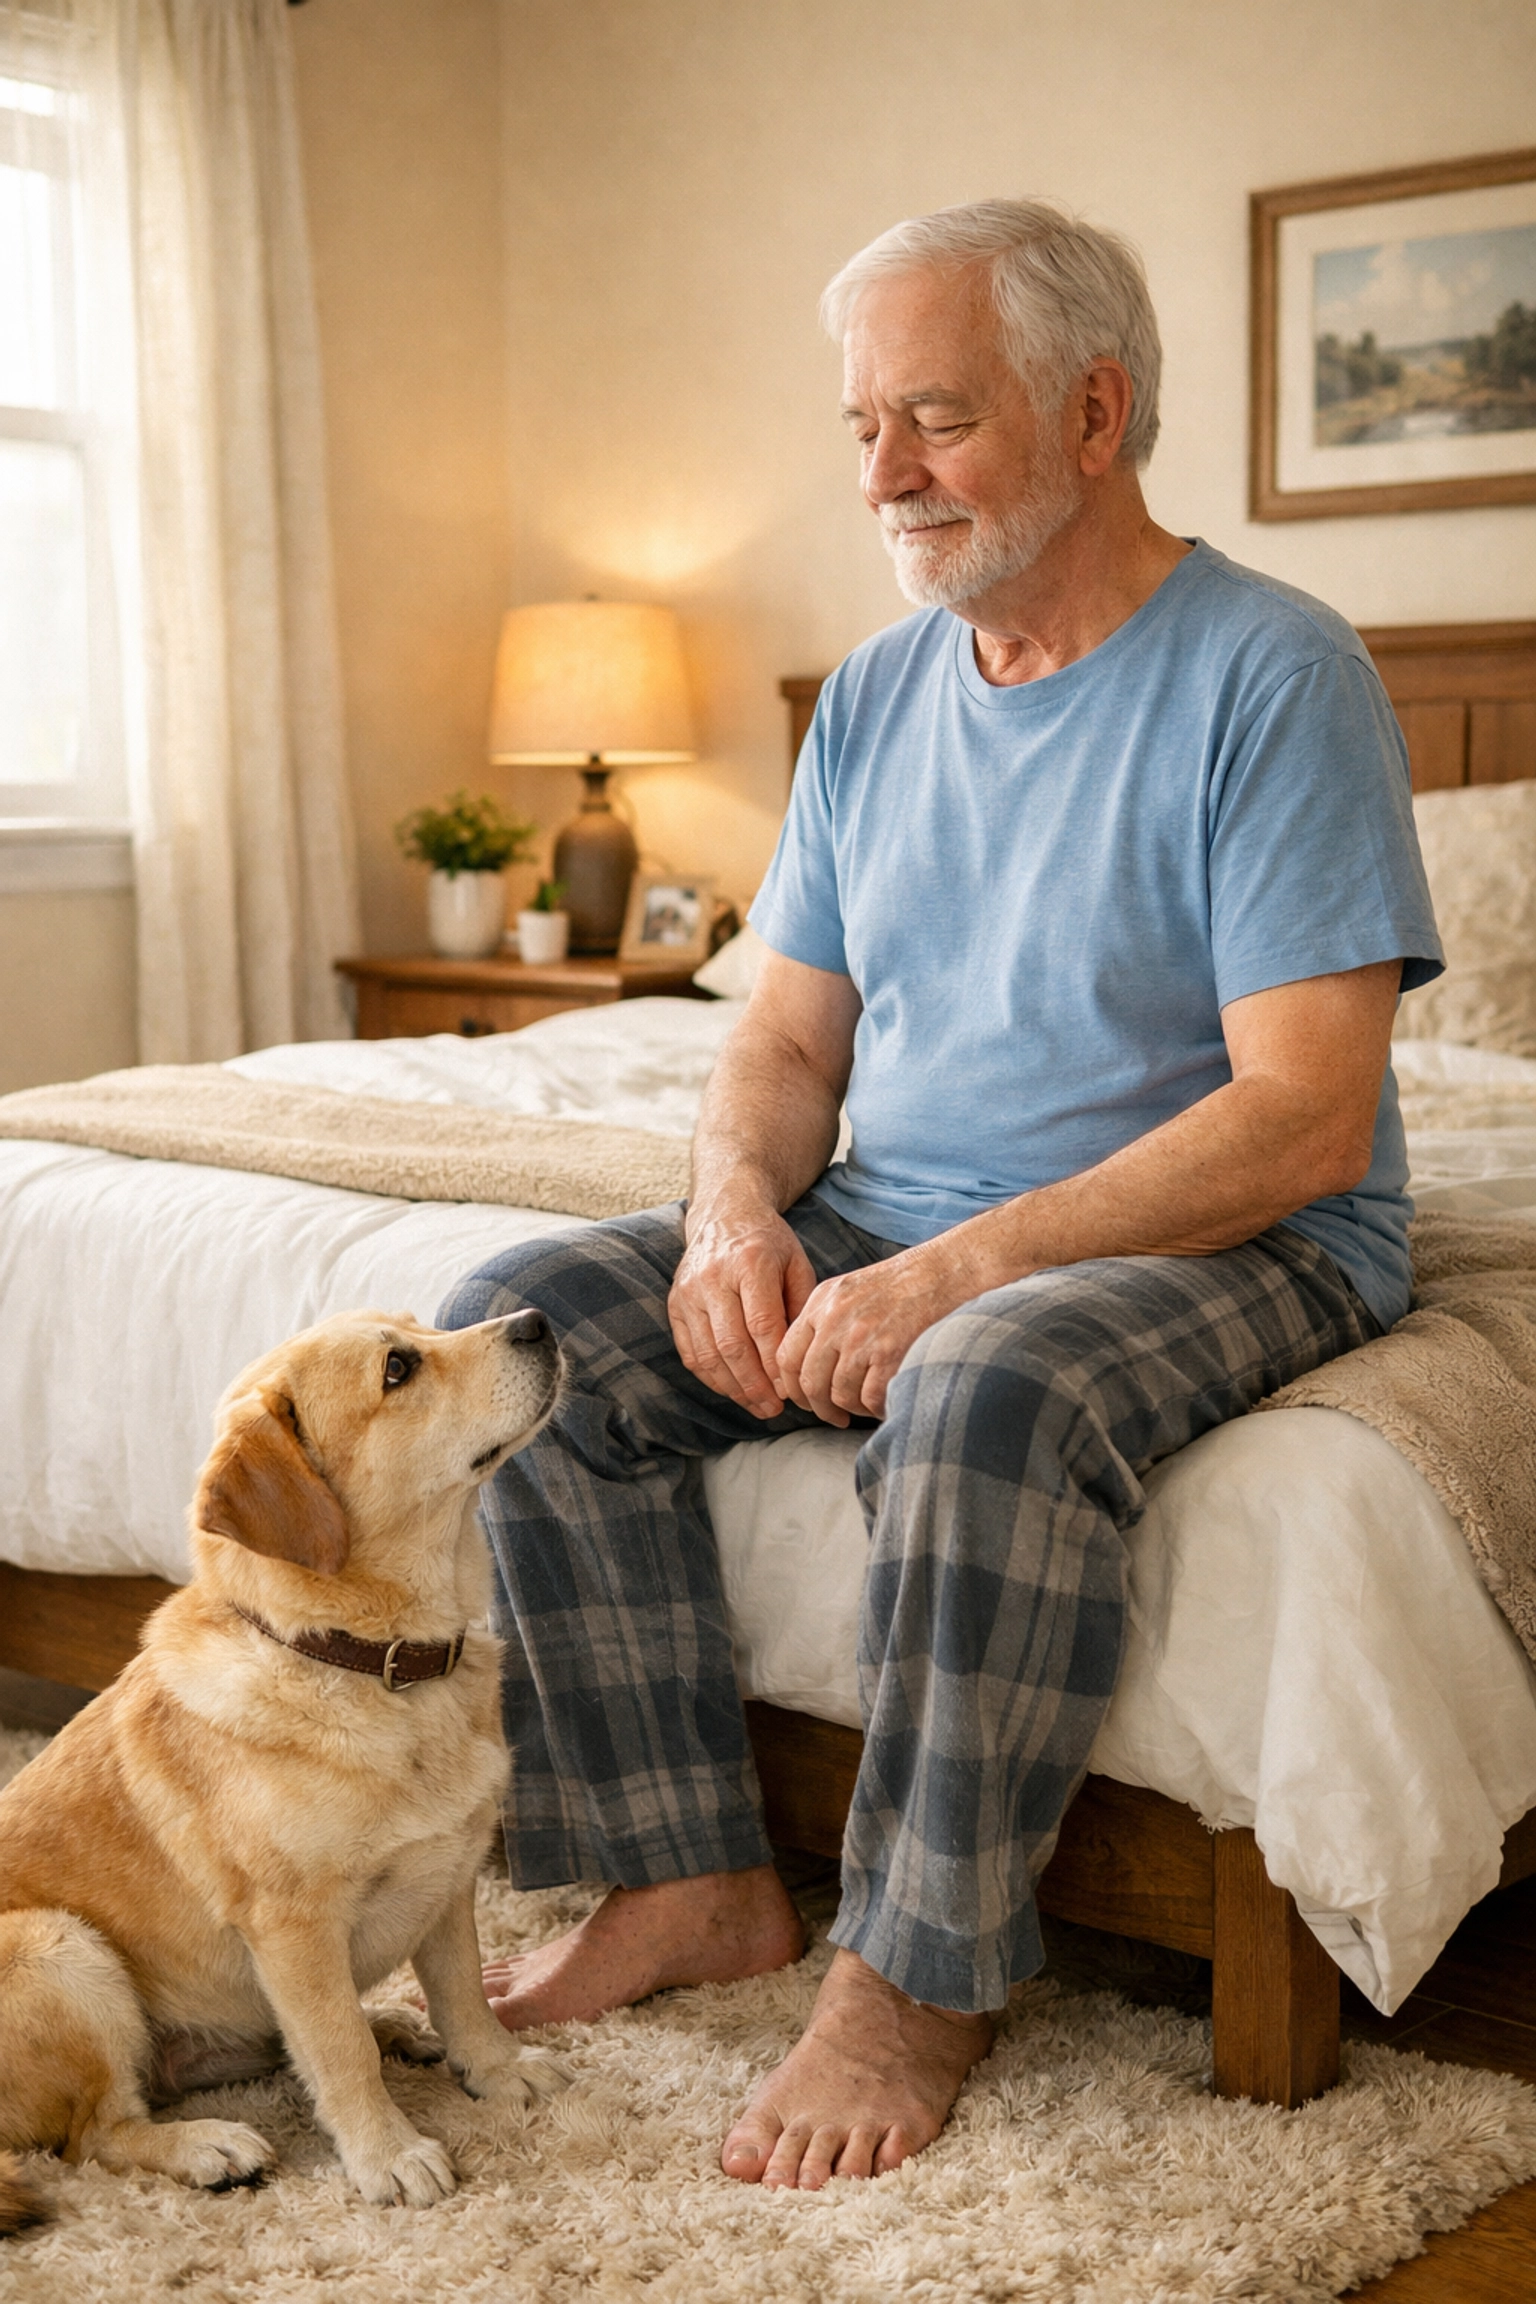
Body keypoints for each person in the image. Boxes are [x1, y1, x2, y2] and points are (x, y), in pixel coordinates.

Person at [441, 198, 1442, 2193]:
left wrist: (964, 1270)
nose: (884, 476)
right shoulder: (884, 699)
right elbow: (789, 1050)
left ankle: (917, 1969)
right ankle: (687, 1874)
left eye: (937, 417)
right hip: (897, 1204)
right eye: (862, 425)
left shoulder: (1278, 674)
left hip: (1240, 1228)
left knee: (986, 1386)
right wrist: (733, 1208)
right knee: (520, 1345)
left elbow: (1308, 1119)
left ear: (1094, 411)